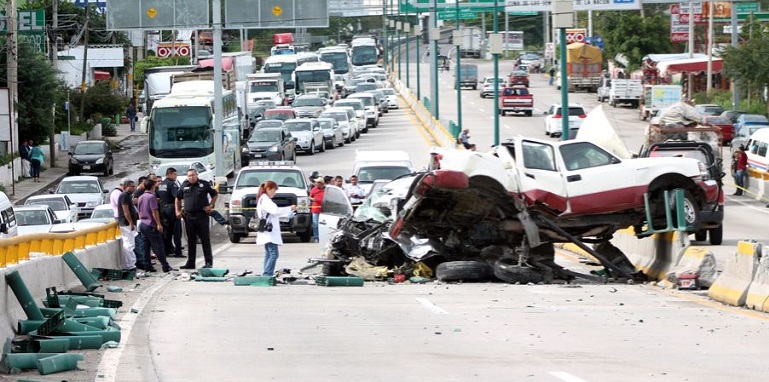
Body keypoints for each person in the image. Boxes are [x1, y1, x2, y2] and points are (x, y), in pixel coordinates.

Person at [175, 168, 218, 269]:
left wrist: (211, 205)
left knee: (205, 240)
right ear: (187, 176)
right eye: (189, 175)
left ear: (197, 175)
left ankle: (208, 262)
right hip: (189, 217)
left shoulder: (204, 184)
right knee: (191, 241)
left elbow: (215, 194)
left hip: (202, 216)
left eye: (193, 175)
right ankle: (191, 263)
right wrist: (177, 210)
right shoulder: (184, 185)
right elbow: (177, 198)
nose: (191, 177)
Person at [255, 180, 297, 276]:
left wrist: (288, 214)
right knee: (274, 254)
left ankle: (267, 272)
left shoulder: (262, 198)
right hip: (269, 232)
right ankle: (267, 274)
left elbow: (273, 214)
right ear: (268, 189)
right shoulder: (265, 200)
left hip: (267, 230)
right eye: (274, 190)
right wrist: (290, 208)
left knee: (268, 254)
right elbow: (275, 211)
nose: (275, 193)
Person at [137, 178, 176, 273]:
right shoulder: (151, 197)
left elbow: (139, 211)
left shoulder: (141, 197)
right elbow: (154, 211)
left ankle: (147, 266)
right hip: (151, 224)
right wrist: (158, 224)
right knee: (158, 246)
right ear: (152, 187)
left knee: (146, 247)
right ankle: (165, 266)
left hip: (143, 224)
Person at [157, 167, 184, 258]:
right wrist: (179, 209)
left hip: (163, 208)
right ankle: (178, 252)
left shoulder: (161, 185)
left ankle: (167, 251)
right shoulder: (172, 184)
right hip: (172, 208)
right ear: (170, 174)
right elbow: (177, 196)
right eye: (175, 174)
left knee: (167, 232)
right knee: (177, 231)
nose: (176, 176)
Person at [117, 179, 139, 270]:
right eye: (132, 186)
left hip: (128, 223)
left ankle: (130, 264)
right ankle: (130, 266)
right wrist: (130, 223)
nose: (134, 188)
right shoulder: (124, 196)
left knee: (130, 244)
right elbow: (126, 211)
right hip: (126, 224)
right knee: (129, 244)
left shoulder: (128, 196)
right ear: (126, 187)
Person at [309, 176, 325, 243]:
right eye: (315, 182)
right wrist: (313, 199)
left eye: (317, 182)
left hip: (323, 209)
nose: (315, 183)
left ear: (321, 183)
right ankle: (316, 237)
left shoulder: (326, 190)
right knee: (315, 224)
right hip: (315, 209)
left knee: (323, 224)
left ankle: (323, 237)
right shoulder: (314, 189)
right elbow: (310, 197)